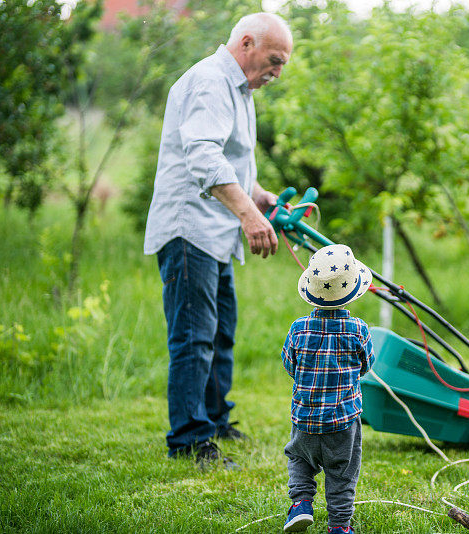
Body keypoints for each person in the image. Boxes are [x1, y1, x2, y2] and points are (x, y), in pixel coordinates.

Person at [143, 12, 293, 468]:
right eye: (273, 60)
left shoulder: (239, 90)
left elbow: (230, 161)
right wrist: (250, 217)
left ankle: (214, 417)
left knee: (220, 332)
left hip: (214, 232)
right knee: (194, 336)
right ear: (246, 43)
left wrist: (260, 196)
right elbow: (203, 156)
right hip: (190, 230)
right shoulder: (209, 81)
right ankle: (189, 439)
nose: (276, 72)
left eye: (282, 64)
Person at [281, 244, 376, 534]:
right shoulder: (358, 330)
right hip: (343, 422)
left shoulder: (298, 329)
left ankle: (300, 503)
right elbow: (366, 365)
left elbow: (290, 365)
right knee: (342, 472)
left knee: (299, 458)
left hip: (305, 418)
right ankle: (339, 526)